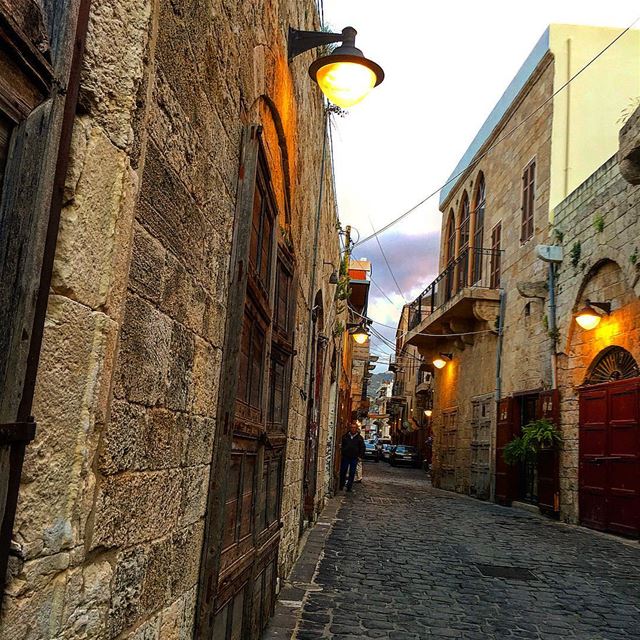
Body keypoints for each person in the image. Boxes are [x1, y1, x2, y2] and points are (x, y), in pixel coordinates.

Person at [339, 422, 365, 492]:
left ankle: (349, 487)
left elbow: (362, 448)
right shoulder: (345, 436)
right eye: (352, 427)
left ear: (356, 429)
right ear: (350, 428)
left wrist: (360, 456)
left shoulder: (360, 438)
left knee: (352, 472)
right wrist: (342, 452)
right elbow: (342, 445)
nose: (353, 429)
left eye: (354, 428)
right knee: (343, 471)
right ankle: (341, 485)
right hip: (346, 456)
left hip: (354, 457)